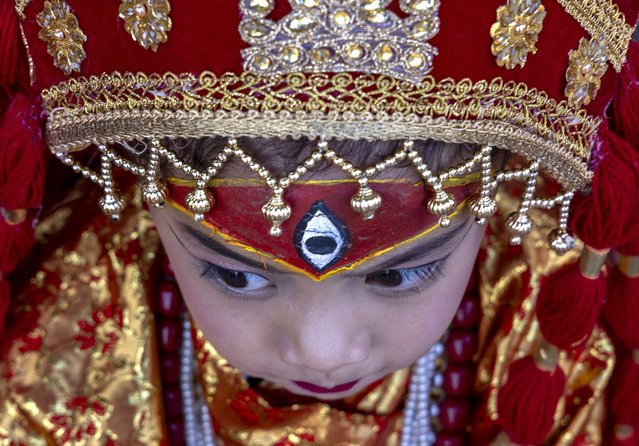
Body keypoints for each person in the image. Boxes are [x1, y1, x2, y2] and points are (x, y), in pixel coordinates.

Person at [0, 0, 638, 444]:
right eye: (239, 277)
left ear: (499, 192)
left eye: (401, 273)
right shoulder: (67, 316)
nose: (324, 351)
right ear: (145, 195)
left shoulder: (545, 322)